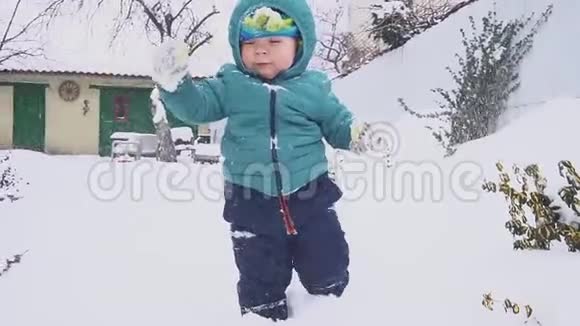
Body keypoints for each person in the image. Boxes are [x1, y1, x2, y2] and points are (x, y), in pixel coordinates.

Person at [151, 0, 383, 321]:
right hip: (251, 202)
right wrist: (176, 85)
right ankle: (263, 315)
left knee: (327, 262)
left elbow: (336, 122)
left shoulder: (312, 88)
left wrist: (356, 134)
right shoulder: (231, 85)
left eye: (274, 42)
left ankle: (334, 311)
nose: (261, 51)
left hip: (311, 195)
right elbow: (198, 107)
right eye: (251, 43)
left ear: (299, 44)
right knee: (259, 277)